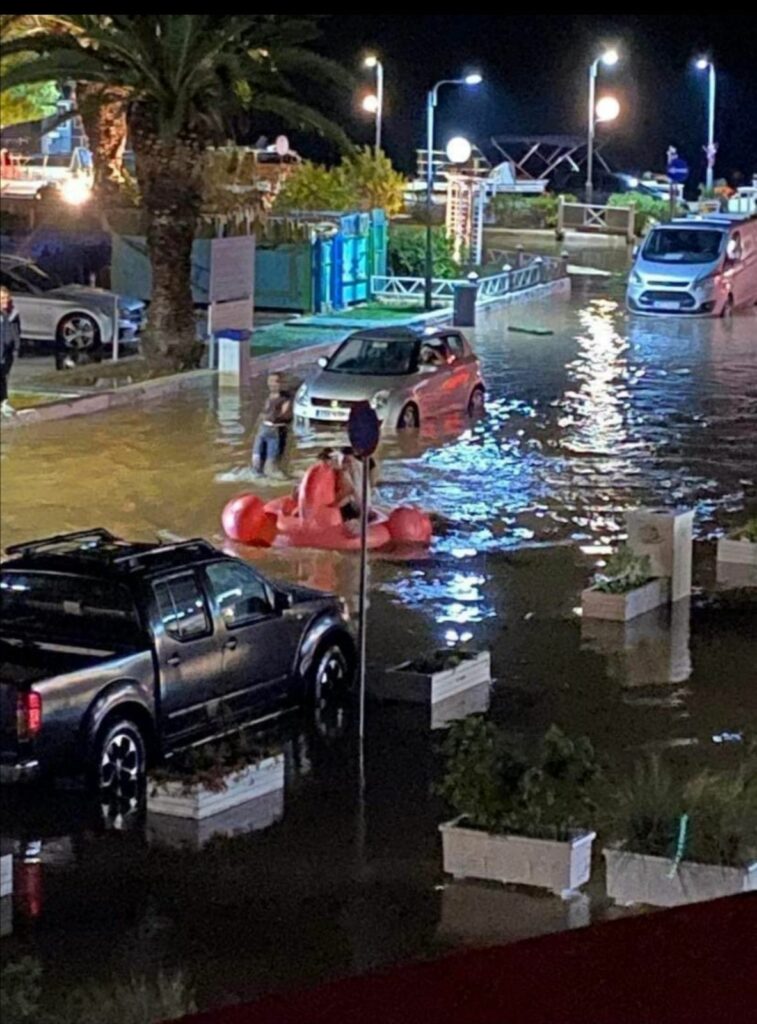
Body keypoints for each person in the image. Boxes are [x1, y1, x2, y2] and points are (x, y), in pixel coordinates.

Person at [251, 373, 293, 478]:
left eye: (276, 381)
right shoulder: (268, 397)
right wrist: (254, 431)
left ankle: (283, 480)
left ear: (281, 383)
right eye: (270, 381)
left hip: (277, 431)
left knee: (272, 465)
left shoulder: (286, 399)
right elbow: (261, 415)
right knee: (256, 461)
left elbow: (285, 415)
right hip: (263, 430)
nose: (272, 384)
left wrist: (270, 417)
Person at [335, 447, 377, 522]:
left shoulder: (348, 468)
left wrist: (331, 505)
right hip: (363, 507)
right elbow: (372, 482)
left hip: (356, 508)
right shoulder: (361, 464)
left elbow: (349, 491)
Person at [0, 286, 21, 417]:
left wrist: (16, 348)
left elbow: (17, 331)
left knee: (3, 377)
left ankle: (3, 403)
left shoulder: (13, 313)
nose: (5, 301)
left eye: (7, 298)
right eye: (2, 298)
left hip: (8, 352)